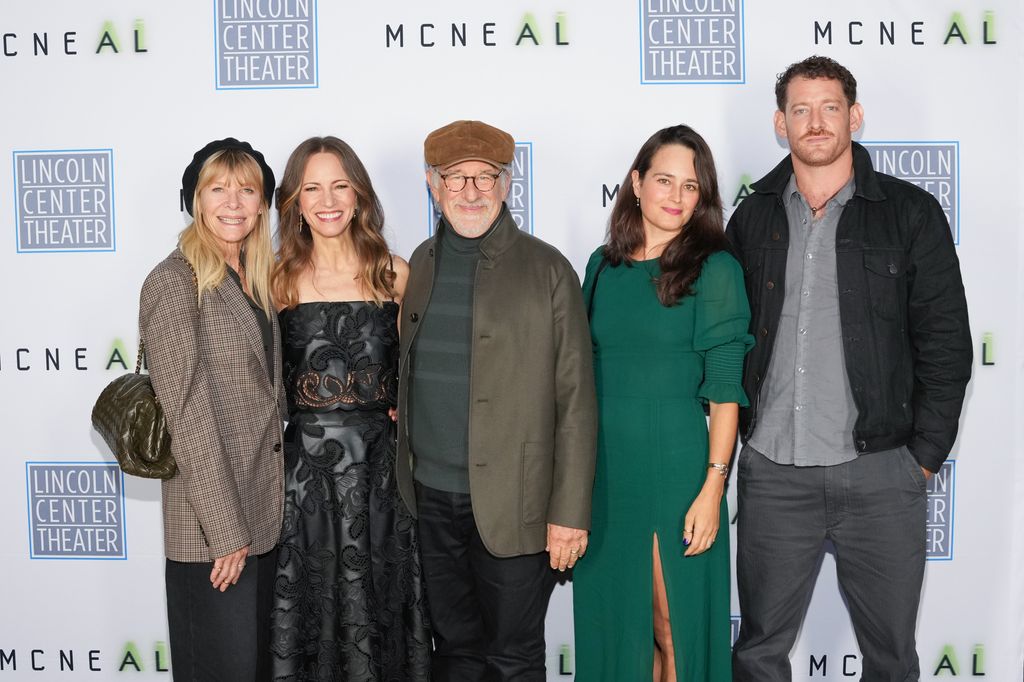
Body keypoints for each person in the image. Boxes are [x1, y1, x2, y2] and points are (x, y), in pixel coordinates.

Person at [728, 56, 972, 681]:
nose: (816, 122)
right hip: (774, 475)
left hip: (881, 475)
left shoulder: (909, 213)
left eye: (829, 107)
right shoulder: (751, 218)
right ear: (780, 124)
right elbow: (725, 339)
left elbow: (946, 343)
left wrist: (919, 458)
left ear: (854, 116)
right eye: (800, 110)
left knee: (891, 659)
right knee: (758, 655)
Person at [396, 119, 597, 681]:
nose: (471, 191)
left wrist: (569, 513)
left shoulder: (549, 269)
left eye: (485, 177)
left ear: (508, 184)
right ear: (433, 186)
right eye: (455, 178)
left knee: (513, 656)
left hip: (519, 502)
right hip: (431, 500)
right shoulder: (420, 264)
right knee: (455, 651)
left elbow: (577, 400)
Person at [572, 125, 753, 682]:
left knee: (673, 626)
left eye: (691, 187)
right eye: (664, 181)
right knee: (616, 627)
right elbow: (576, 373)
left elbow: (725, 392)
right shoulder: (601, 266)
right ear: (636, 183)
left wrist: (712, 488)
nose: (676, 197)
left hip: (676, 468)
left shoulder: (715, 269)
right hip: (602, 474)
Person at [268, 136, 431, 680]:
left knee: (382, 612)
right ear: (293, 202)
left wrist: (403, 412)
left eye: (340, 184)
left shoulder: (395, 273)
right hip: (306, 485)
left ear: (359, 195)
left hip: (381, 479)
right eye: (311, 187)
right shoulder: (276, 281)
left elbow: (424, 371)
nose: (328, 199)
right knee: (317, 620)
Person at [139, 138, 283, 680]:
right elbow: (188, 415)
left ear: (263, 203)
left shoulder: (257, 280)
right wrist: (224, 531)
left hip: (265, 518)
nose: (233, 203)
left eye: (247, 190)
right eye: (218, 189)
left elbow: (268, 394)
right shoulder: (174, 282)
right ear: (196, 201)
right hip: (212, 534)